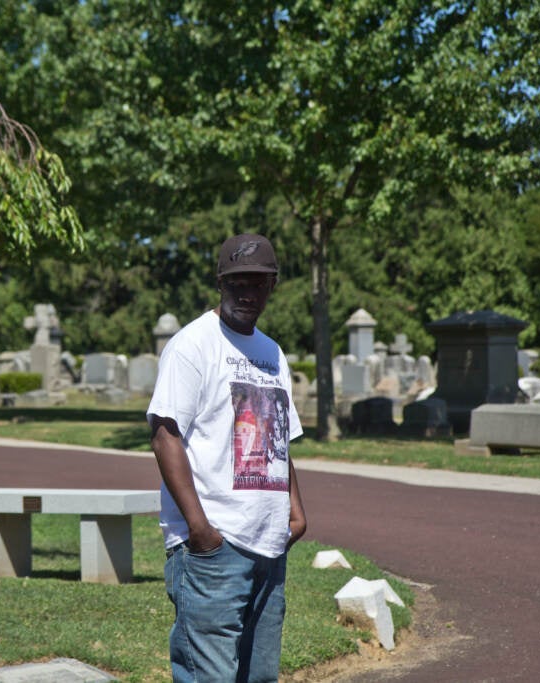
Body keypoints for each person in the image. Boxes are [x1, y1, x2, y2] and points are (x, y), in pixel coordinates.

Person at [147, 233, 307, 683]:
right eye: (237, 282)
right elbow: (164, 436)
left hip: (269, 544)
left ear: (272, 286)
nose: (247, 292)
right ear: (219, 282)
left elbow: (280, 434)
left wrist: (294, 511)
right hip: (214, 549)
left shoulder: (272, 352)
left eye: (258, 283)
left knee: (258, 677)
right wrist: (200, 530)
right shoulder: (192, 345)